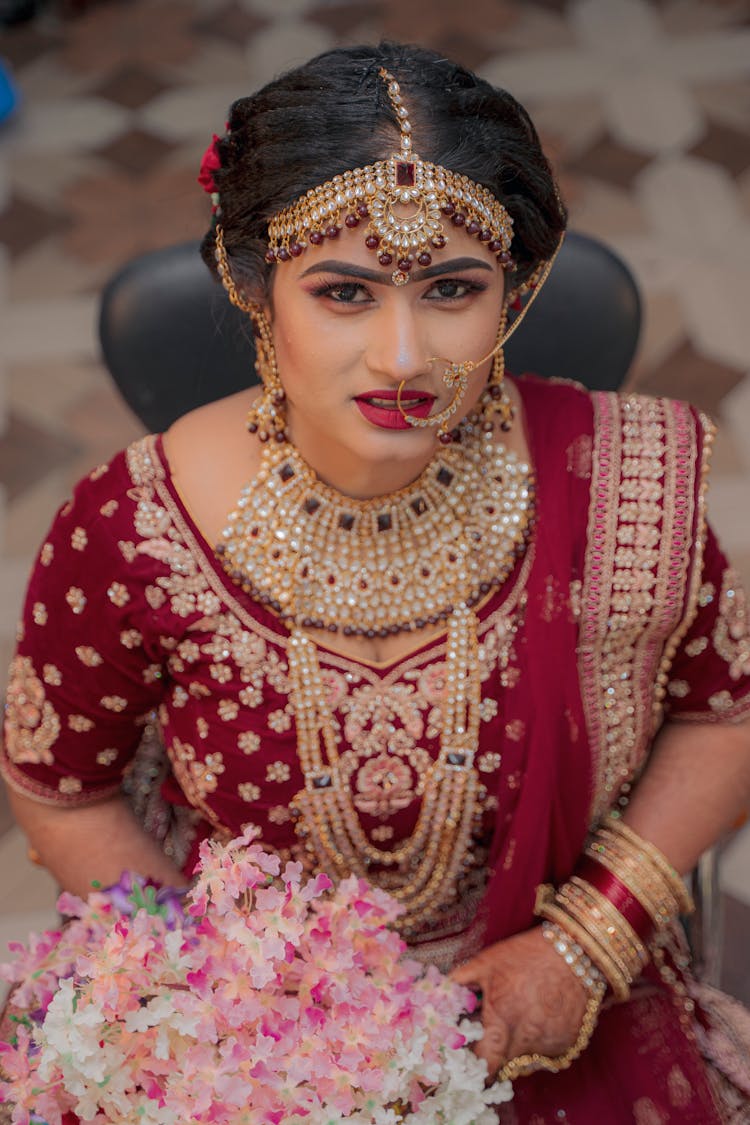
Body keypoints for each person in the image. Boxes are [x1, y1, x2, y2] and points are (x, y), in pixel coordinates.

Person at [3, 41, 750, 1123]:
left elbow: (723, 718)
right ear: (252, 285)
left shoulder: (622, 486)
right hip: (251, 1036)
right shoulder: (130, 526)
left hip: (543, 988)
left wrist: (584, 944)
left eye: (452, 288)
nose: (402, 356)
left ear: (517, 293)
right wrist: (242, 1016)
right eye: (343, 292)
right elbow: (56, 788)